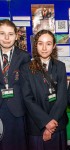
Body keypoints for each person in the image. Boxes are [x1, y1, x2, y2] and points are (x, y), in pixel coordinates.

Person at [20, 29, 68, 150]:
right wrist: (46, 122)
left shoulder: (60, 66)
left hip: (57, 124)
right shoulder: (26, 68)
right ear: (36, 45)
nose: (44, 48)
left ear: (54, 46)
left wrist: (51, 124)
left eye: (48, 43)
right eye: (40, 43)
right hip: (37, 126)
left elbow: (62, 97)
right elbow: (27, 99)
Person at [0, 19, 31, 150]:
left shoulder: (24, 56)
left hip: (18, 109)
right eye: (2, 33)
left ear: (16, 36)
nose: (6, 38)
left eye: (10, 34)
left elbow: (28, 85)